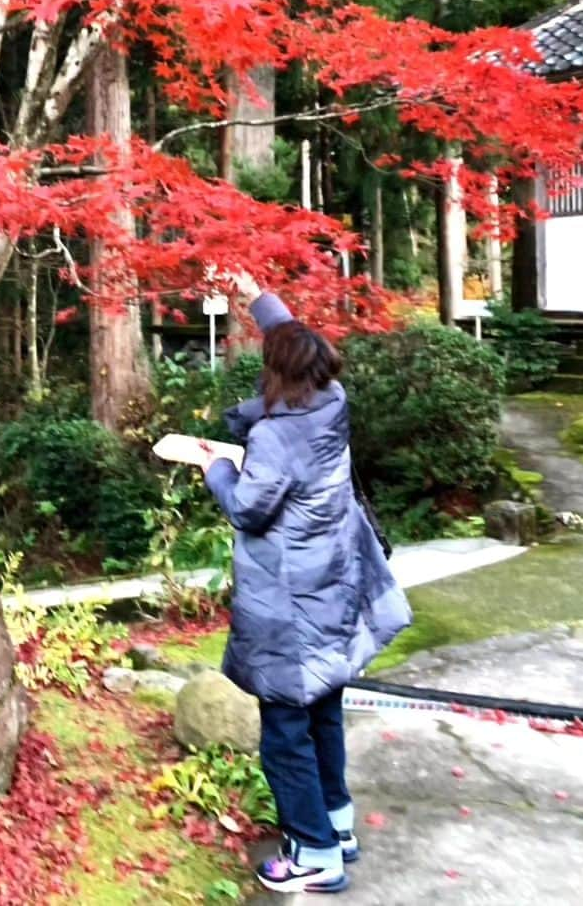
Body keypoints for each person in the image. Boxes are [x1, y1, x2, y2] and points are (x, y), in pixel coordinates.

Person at [200, 281, 411, 895]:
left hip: (290, 604)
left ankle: (315, 854)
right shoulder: (330, 400)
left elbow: (247, 509)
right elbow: (292, 340)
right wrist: (254, 295)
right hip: (332, 587)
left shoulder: (274, 436)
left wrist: (213, 464)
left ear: (279, 372)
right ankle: (337, 825)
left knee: (285, 736)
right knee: (323, 713)